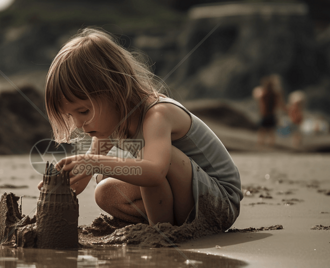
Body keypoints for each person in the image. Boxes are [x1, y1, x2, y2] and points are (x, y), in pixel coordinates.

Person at [38, 28, 242, 230]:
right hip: (189, 202)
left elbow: (154, 173)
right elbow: (82, 180)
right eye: (70, 116)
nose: (78, 124)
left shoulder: (157, 115)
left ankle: (161, 231)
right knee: (104, 189)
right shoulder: (107, 129)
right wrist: (62, 183)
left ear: (114, 92)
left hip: (220, 203)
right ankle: (163, 224)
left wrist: (94, 162)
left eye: (83, 111)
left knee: (149, 163)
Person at [253, 75, 286, 147]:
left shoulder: (269, 93)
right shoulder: (270, 93)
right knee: (266, 130)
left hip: (268, 114)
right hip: (267, 114)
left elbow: (257, 96)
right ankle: (265, 144)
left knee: (267, 130)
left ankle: (265, 144)